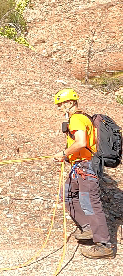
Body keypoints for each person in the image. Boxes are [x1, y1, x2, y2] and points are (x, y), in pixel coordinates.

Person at [53, 89, 114, 259]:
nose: (58, 107)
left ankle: (104, 245)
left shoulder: (76, 119)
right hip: (79, 167)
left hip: (85, 167)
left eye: (61, 103)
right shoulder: (79, 118)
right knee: (68, 195)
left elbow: (81, 142)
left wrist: (64, 153)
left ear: (71, 103)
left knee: (89, 203)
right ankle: (89, 228)